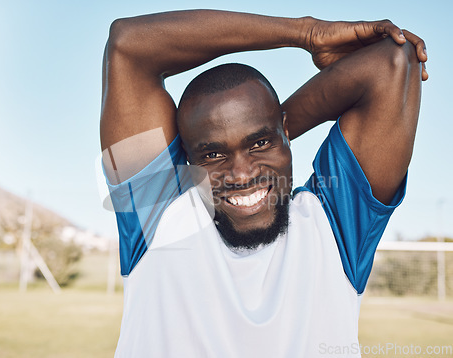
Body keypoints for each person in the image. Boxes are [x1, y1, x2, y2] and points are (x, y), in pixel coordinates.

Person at [100, 10, 427, 357]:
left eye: (259, 144)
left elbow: (394, 59)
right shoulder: (156, 216)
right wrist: (306, 33)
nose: (241, 175)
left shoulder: (335, 225)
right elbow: (128, 44)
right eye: (212, 155)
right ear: (187, 159)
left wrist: (271, 125)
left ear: (285, 132)